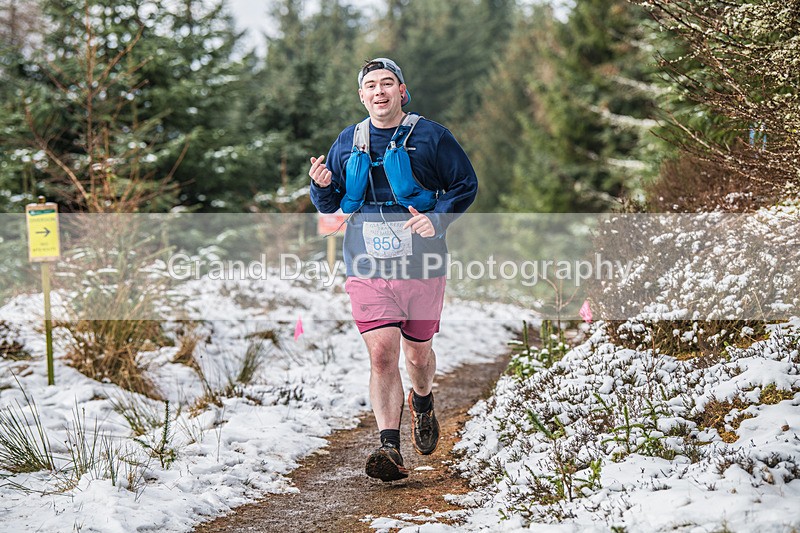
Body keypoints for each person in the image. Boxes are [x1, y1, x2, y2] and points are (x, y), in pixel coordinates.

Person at [308, 58, 478, 482]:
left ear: (403, 91)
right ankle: (389, 448)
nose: (380, 91)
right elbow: (332, 210)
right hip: (366, 264)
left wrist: (437, 218)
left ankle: (423, 401)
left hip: (422, 264)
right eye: (371, 85)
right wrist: (322, 186)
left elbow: (465, 185)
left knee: (417, 357)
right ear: (361, 95)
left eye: (388, 83)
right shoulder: (348, 141)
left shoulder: (433, 136)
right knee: (382, 354)